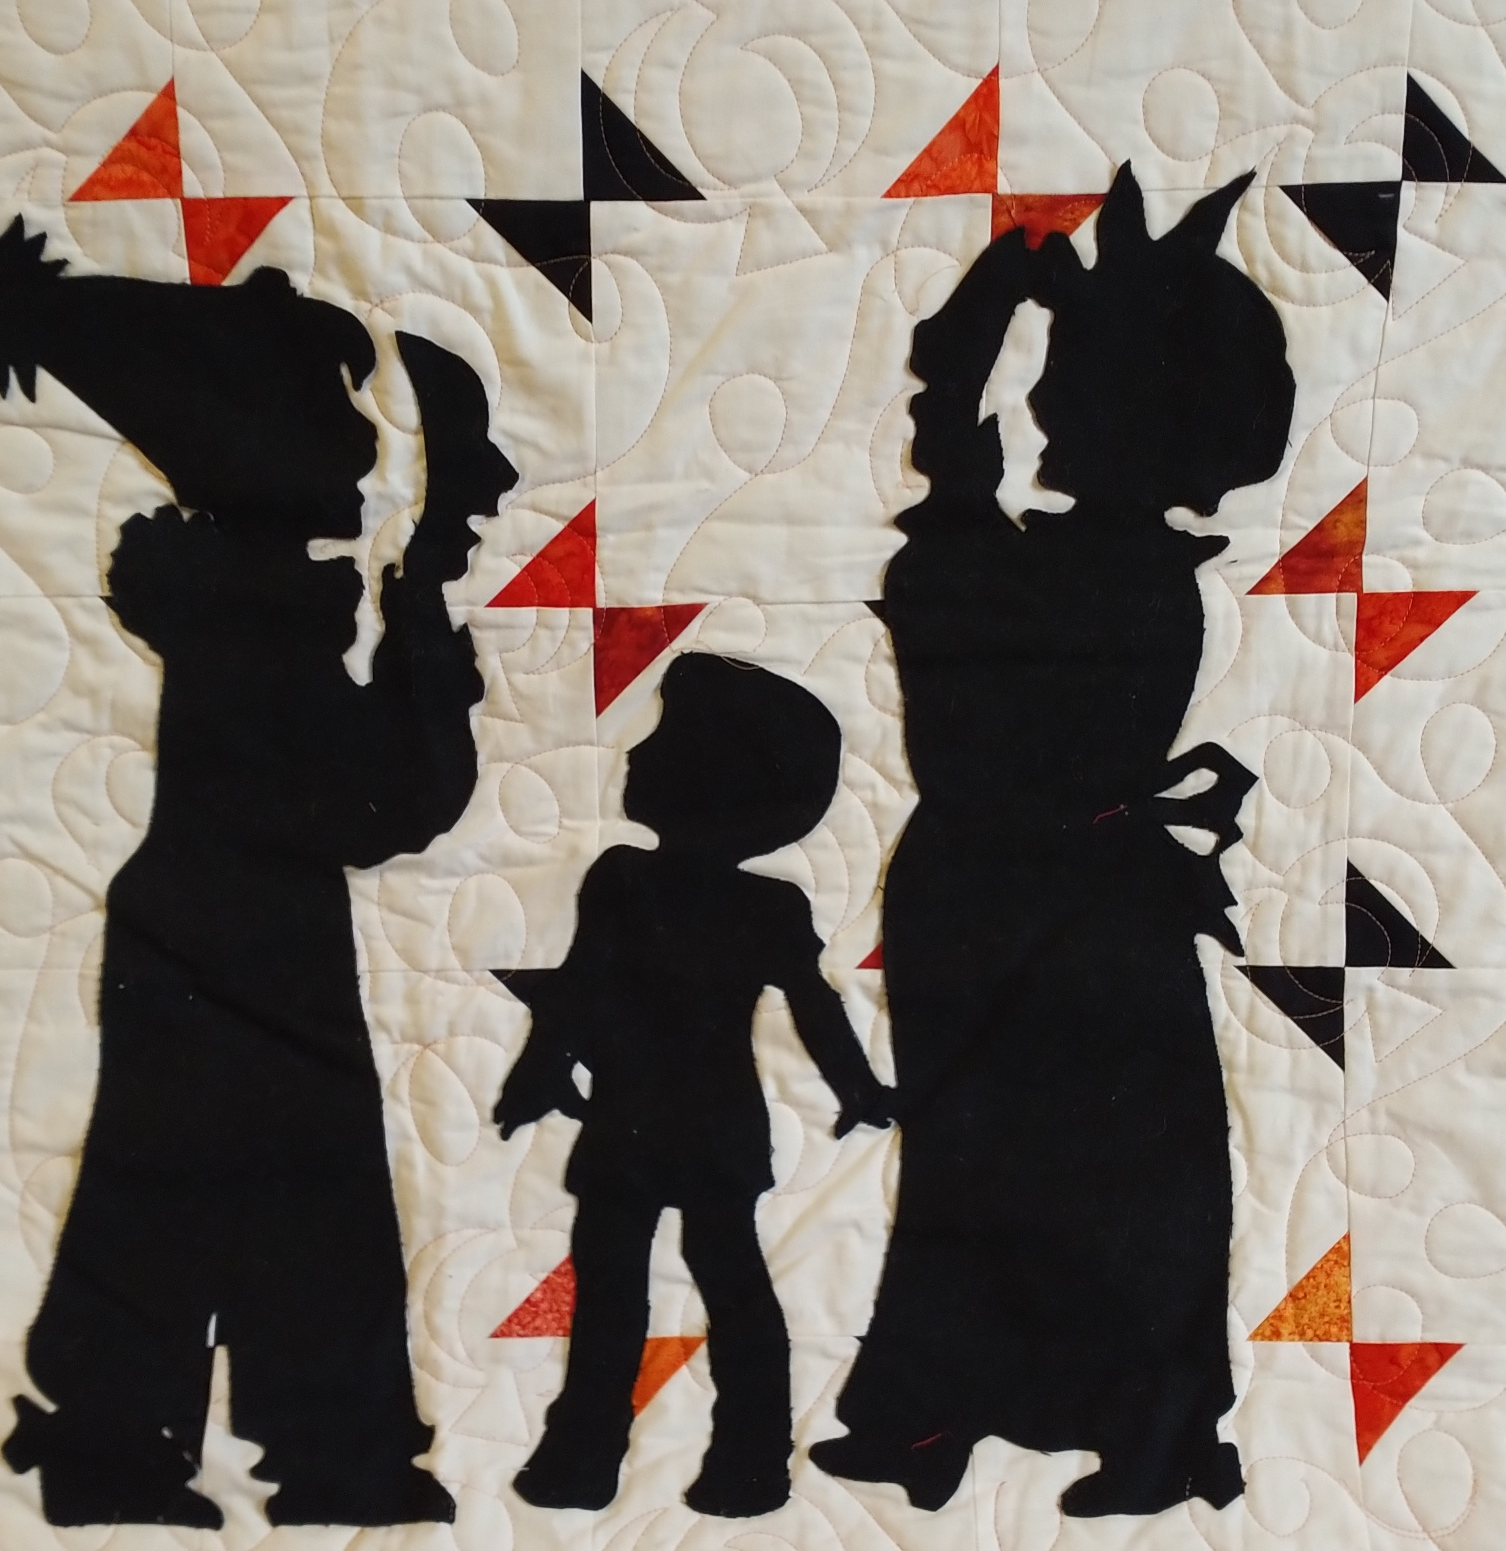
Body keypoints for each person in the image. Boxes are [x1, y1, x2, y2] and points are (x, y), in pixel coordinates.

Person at [0, 215, 517, 1528]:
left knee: (179, 1192)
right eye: (338, 413)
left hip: (217, 918)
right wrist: (423, 629)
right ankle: (293, 1447)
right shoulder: (258, 627)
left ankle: (147, 1443)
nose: (363, 444)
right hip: (240, 928)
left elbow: (363, 798)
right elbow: (374, 806)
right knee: (280, 1196)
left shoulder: (245, 608)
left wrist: (418, 618)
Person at [809, 166, 1293, 1517]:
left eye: (1070, 381)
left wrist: (958, 385)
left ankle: (1140, 1426)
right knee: (973, 1161)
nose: (1045, 405)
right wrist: (963, 377)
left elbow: (966, 651)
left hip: (1055, 899)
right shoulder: (1100, 564)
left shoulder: (1124, 579)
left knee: (1104, 1174)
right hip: (997, 894)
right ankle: (940, 1406)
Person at [494, 653, 896, 1518]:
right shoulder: (761, 904)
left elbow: (580, 994)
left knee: (618, 1294)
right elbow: (814, 1007)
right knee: (729, 1282)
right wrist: (858, 1088)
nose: (635, 750)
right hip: (712, 1121)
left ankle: (585, 1458)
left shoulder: (623, 880)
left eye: (659, 738)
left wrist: (538, 1074)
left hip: (634, 1118)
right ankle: (750, 1462)